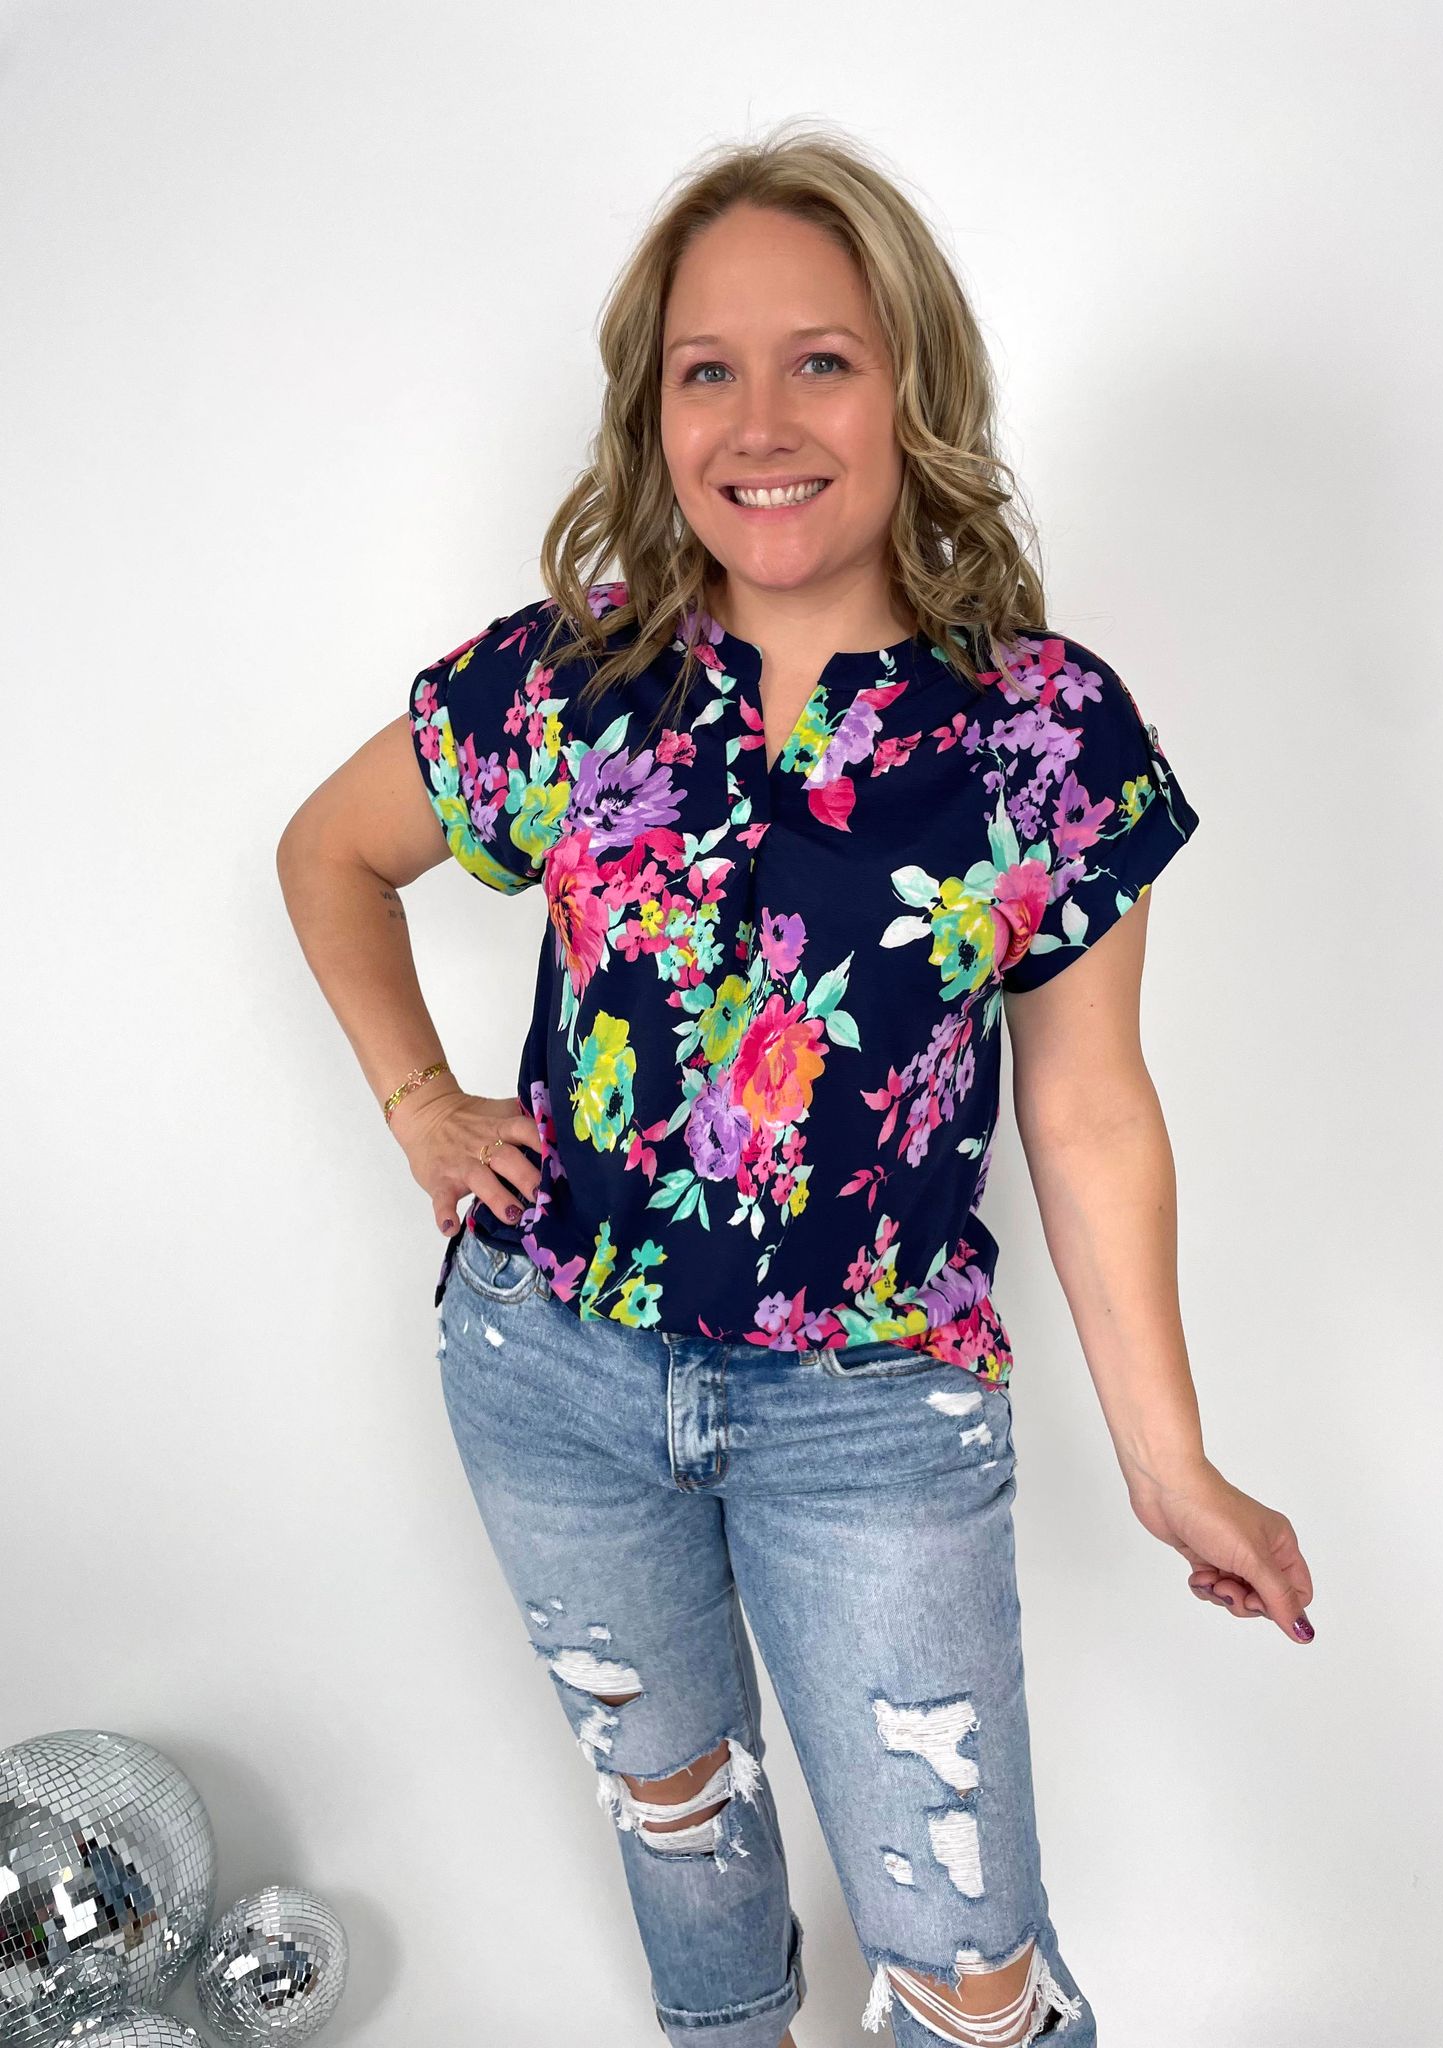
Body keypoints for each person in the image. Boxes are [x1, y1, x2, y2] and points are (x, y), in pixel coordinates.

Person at [277, 122, 1314, 2048]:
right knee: (680, 1828)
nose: (761, 421)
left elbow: (1091, 1112)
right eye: (709, 370)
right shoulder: (571, 684)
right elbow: (328, 853)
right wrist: (420, 1099)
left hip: (875, 1417)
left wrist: (1170, 1466)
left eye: (820, 359)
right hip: (551, 1376)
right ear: (654, 410)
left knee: (971, 1971)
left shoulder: (1042, 733)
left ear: (912, 384)